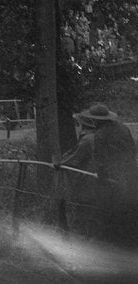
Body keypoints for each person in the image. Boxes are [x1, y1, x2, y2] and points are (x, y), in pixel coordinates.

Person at [57, 103, 138, 245]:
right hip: (130, 175)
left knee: (105, 212)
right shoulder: (123, 128)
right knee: (128, 211)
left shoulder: (99, 135)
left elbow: (101, 161)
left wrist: (102, 178)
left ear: (95, 120)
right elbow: (132, 151)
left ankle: (105, 243)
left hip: (112, 180)